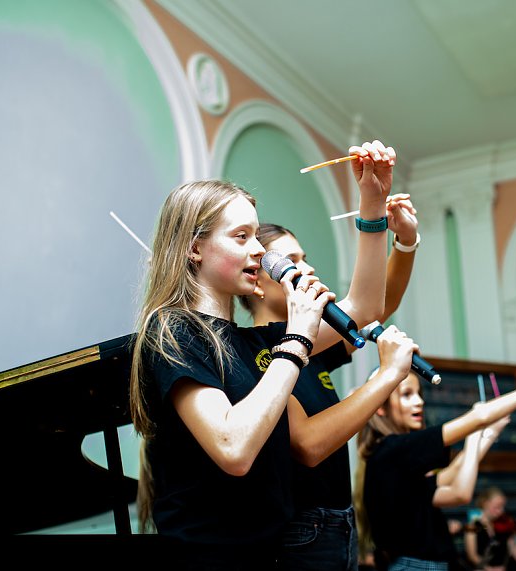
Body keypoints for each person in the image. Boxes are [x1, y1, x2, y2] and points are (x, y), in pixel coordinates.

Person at [129, 140, 400, 569]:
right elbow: (233, 448)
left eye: (257, 235)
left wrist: (372, 203)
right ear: (194, 248)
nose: (259, 250)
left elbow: (365, 306)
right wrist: (296, 340)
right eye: (241, 237)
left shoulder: (249, 341)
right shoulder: (173, 330)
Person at [237, 191, 420, 571]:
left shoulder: (311, 345)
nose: (309, 270)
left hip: (341, 521)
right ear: (258, 281)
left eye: (306, 258)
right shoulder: (257, 354)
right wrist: (386, 377)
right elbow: (308, 444)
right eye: (291, 262)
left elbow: (376, 307)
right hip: (304, 529)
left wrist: (405, 241)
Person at [355, 370, 516, 571]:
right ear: (380, 407)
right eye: (407, 394)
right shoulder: (392, 449)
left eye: (419, 393)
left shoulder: (396, 458)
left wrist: (489, 433)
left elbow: (452, 474)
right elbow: (479, 418)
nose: (419, 401)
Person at [464, 487, 516, 571]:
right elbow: (472, 556)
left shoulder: (504, 525)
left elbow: (515, 551)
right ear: (485, 503)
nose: (501, 511)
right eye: (497, 507)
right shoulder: (472, 526)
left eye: (503, 507)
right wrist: (490, 569)